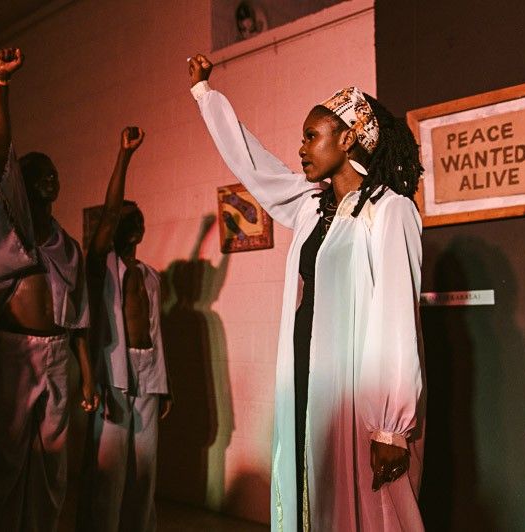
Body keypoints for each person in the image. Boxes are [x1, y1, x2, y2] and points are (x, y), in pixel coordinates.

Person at [188, 54, 426, 531]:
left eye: (311, 136)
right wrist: (206, 97)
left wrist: (390, 427)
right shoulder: (310, 207)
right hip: (304, 370)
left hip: (357, 391)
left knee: (362, 505)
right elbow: (255, 166)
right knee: (309, 491)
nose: (301, 149)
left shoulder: (389, 210)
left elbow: (398, 318)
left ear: (347, 138)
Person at [0, 48, 97, 531]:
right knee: (4, 457)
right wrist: (1, 86)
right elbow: (0, 156)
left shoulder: (68, 247)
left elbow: (78, 317)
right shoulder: (7, 231)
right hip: (13, 352)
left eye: (53, 173)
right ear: (18, 186)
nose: (48, 178)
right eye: (36, 172)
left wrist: (86, 375)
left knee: (51, 460)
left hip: (57, 353)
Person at [77, 127, 172, 532]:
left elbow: (155, 331)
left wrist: (164, 384)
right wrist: (124, 156)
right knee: (110, 471)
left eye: (138, 220)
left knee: (144, 468)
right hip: (113, 373)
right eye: (126, 219)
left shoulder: (150, 275)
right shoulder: (101, 266)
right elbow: (109, 217)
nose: (134, 225)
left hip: (149, 374)